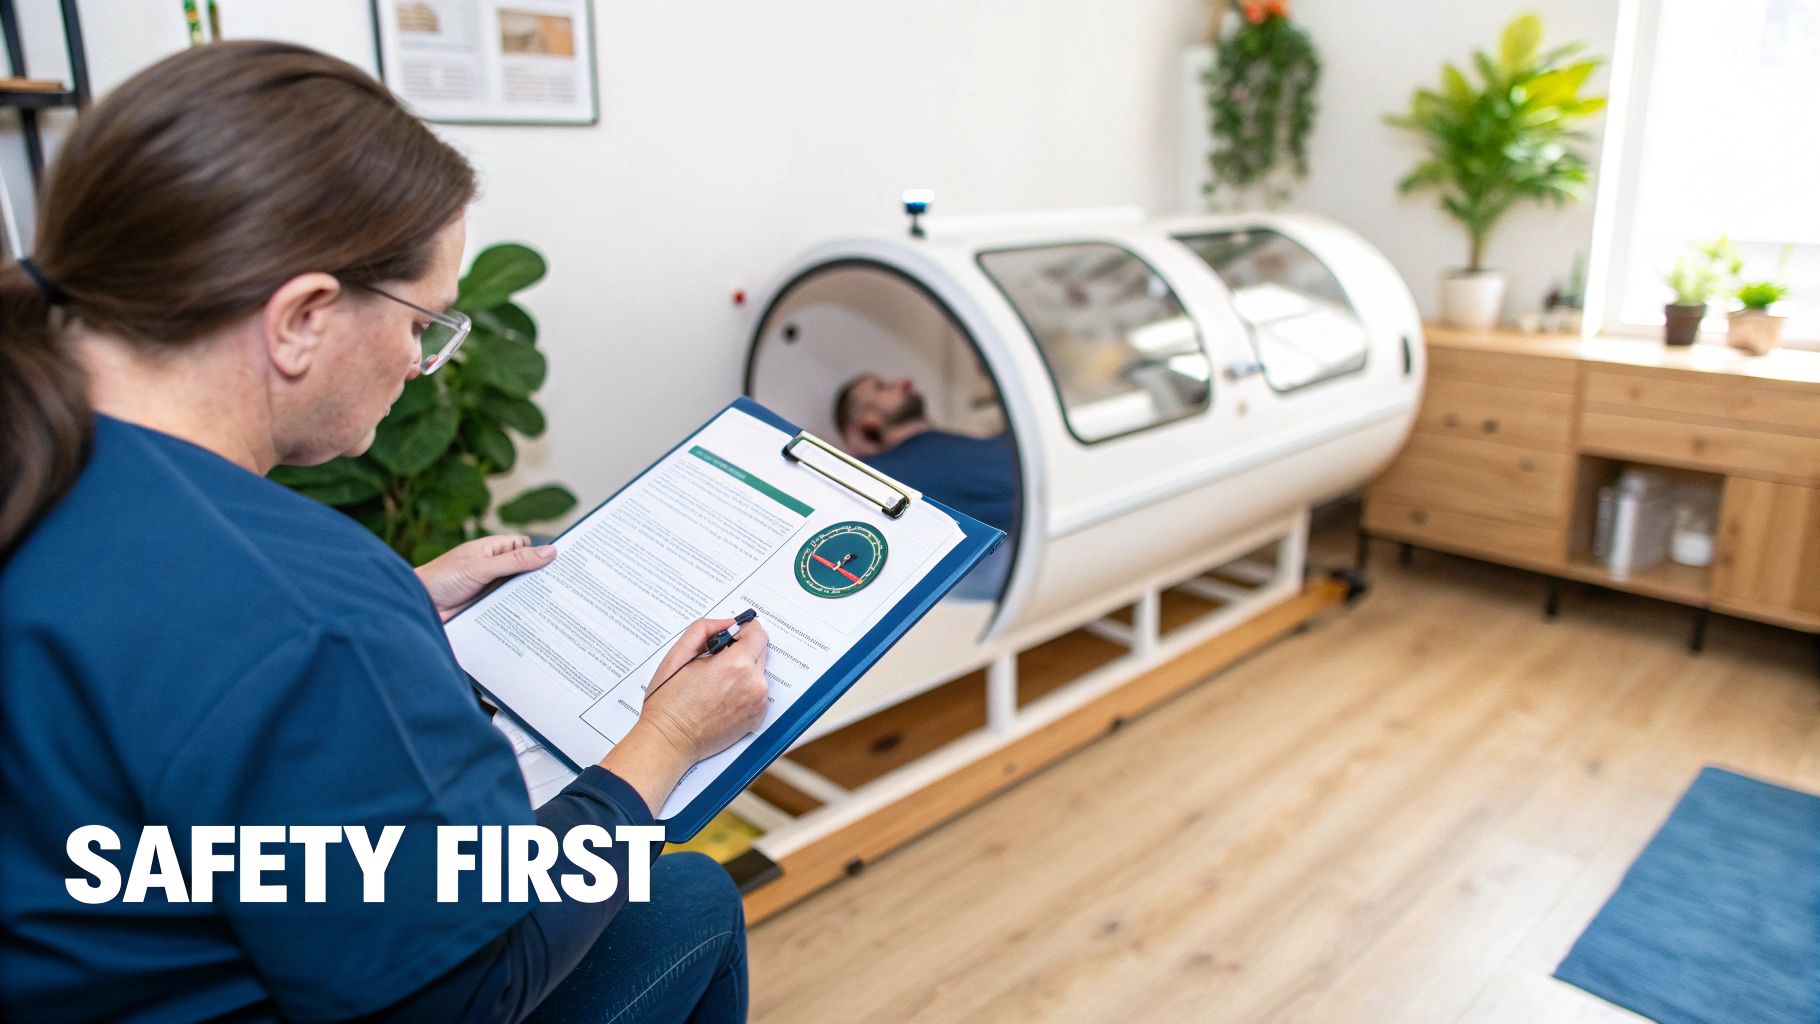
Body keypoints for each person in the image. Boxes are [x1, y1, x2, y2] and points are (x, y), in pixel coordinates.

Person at [0, 42, 767, 1024]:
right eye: (422, 323)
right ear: (302, 319)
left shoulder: (48, 453)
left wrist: (401, 597)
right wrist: (663, 742)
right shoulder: (306, 610)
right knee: (684, 896)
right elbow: (471, 990)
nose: (419, 363)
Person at [833, 374, 1018, 537]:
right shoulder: (879, 481)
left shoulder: (973, 448)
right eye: (883, 388)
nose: (905, 381)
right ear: (861, 431)